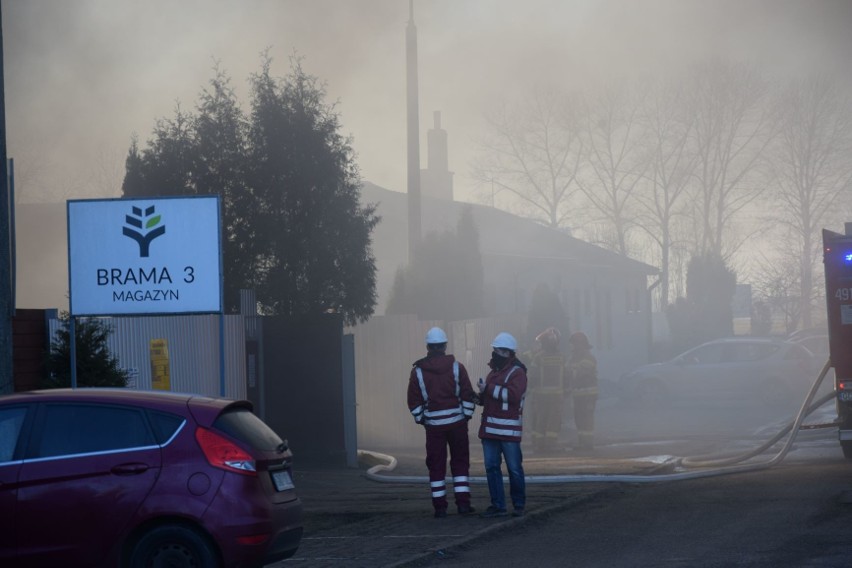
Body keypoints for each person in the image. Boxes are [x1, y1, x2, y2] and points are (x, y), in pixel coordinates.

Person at [407, 327, 477, 518]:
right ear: (445, 345)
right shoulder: (457, 367)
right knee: (460, 462)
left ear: (428, 346)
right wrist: (466, 416)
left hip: (434, 427)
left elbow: (413, 401)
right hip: (457, 424)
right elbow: (467, 395)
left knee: (436, 464)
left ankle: (440, 508)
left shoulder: (418, 371)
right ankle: (463, 504)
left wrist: (423, 418)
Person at [476, 332, 528, 518]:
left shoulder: (518, 372)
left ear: (508, 352)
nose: (494, 353)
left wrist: (487, 389)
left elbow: (512, 396)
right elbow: (491, 398)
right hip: (490, 430)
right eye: (494, 350)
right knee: (492, 468)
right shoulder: (494, 372)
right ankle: (498, 505)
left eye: (498, 350)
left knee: (514, 468)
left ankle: (519, 505)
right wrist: (480, 396)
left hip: (508, 431)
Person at [527, 327, 567, 454]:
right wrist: (567, 389)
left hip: (540, 395)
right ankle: (551, 445)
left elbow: (532, 376)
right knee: (553, 421)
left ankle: (539, 445)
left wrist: (530, 388)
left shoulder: (538, 358)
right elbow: (568, 375)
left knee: (541, 419)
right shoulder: (562, 358)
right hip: (556, 396)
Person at [566, 331, 598, 451]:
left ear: (580, 344)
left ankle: (588, 443)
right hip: (578, 394)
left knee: (587, 418)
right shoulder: (573, 358)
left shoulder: (589, 358)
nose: (572, 347)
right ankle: (582, 442)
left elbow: (579, 374)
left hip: (588, 394)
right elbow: (567, 371)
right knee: (579, 418)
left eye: (574, 344)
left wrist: (571, 372)